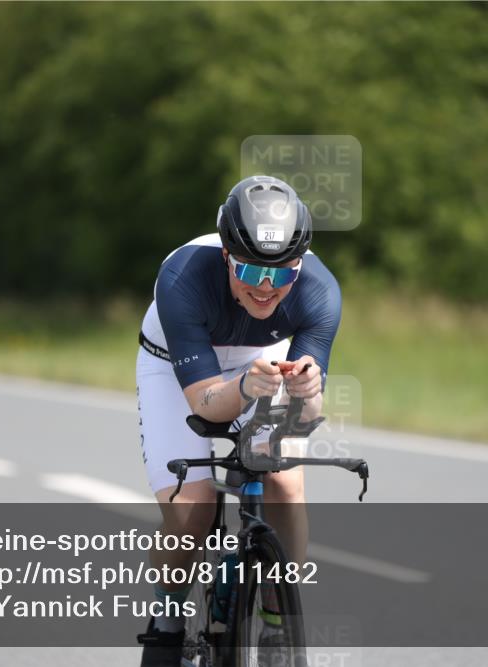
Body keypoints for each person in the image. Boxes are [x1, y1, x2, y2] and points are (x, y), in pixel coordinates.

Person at [135, 175, 342, 666]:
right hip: (175, 364)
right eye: (251, 272)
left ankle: (276, 619)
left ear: (300, 266)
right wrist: (246, 386)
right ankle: (168, 617)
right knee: (194, 510)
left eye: (282, 274)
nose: (267, 287)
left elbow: (310, 415)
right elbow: (206, 404)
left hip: (264, 358)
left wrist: (308, 392)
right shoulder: (182, 276)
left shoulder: (320, 292)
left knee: (286, 485)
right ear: (228, 256)